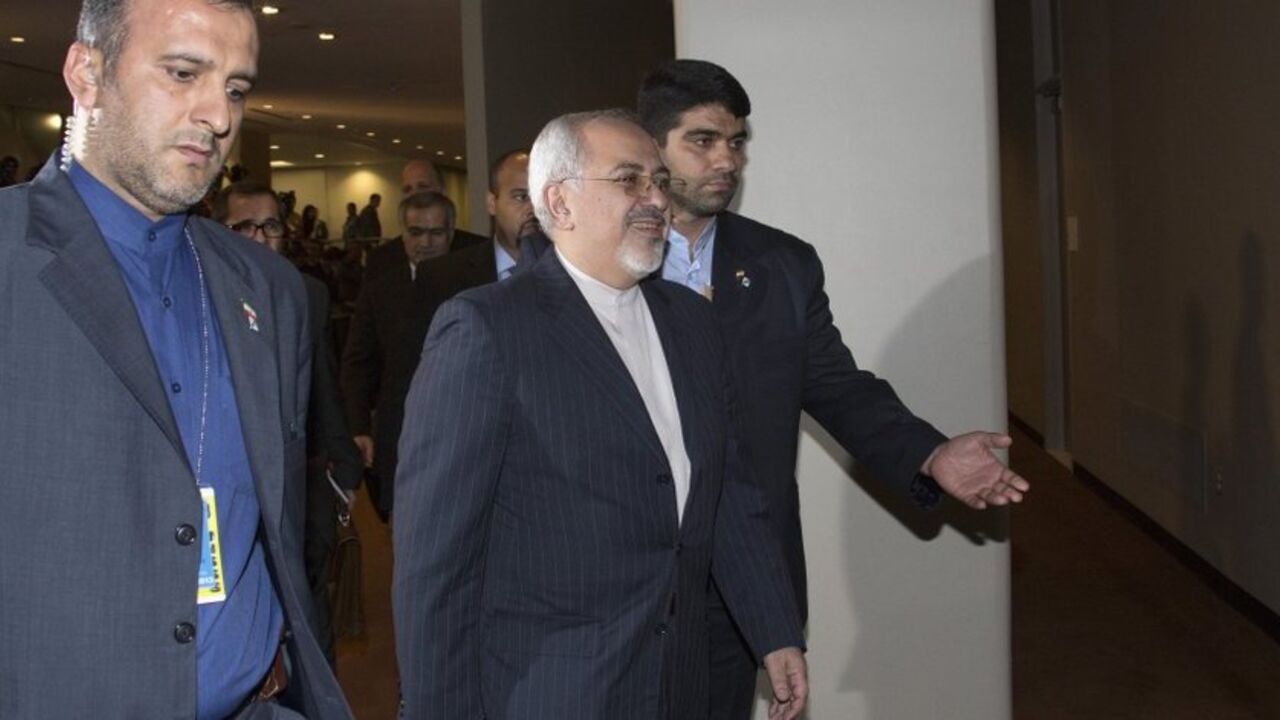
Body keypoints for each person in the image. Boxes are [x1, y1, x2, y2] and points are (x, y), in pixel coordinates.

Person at [636, 59, 1030, 718]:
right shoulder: (607, 260)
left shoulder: (783, 264)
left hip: (744, 578)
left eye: (736, 142)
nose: (725, 159)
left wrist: (929, 453)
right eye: (702, 141)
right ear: (654, 148)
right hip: (626, 576)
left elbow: (838, 386)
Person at [392, 109, 809, 720]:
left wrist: (774, 629)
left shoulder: (692, 324)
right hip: (550, 693)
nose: (655, 200)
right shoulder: (488, 328)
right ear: (559, 204)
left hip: (681, 685)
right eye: (629, 180)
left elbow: (727, 493)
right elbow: (435, 565)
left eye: (660, 181)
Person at [0, 1, 352, 718]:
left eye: (235, 88)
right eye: (184, 73)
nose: (219, 116)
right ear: (86, 74)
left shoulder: (269, 289)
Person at [215, 180, 363, 666]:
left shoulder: (309, 294)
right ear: (220, 231)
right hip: (231, 489)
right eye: (244, 227)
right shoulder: (201, 296)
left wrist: (344, 470)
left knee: (310, 607)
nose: (260, 237)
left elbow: (324, 383)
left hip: (303, 485)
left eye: (271, 226)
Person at [340, 192, 455, 520]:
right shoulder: (381, 291)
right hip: (400, 437)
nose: (426, 243)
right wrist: (359, 426)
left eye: (435, 233)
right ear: (402, 235)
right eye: (416, 232)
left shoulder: (477, 288)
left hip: (464, 436)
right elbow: (358, 364)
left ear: (450, 233)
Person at [423, 148, 540, 294]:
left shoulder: (572, 270)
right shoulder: (443, 276)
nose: (534, 209)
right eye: (520, 197)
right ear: (492, 203)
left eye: (542, 198)